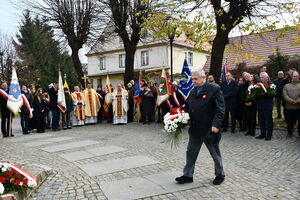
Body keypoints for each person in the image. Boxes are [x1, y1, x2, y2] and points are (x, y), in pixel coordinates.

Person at [175, 69, 225, 185]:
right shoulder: (193, 91)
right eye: (192, 79)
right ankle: (187, 175)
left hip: (209, 129)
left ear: (203, 78)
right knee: (191, 152)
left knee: (215, 153)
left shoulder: (214, 89)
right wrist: (181, 117)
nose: (193, 81)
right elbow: (189, 106)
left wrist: (216, 125)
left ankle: (220, 174)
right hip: (195, 128)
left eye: (195, 79)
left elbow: (220, 109)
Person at [255, 72, 275, 141]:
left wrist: (263, 93)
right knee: (261, 120)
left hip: (267, 106)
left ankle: (269, 134)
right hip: (260, 106)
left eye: (263, 77)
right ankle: (262, 133)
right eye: (261, 77)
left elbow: (273, 94)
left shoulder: (271, 84)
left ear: (267, 77)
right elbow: (255, 95)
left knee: (269, 121)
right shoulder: (258, 85)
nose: (262, 78)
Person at [282, 71, 300, 137]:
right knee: (290, 121)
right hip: (289, 107)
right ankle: (289, 132)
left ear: (299, 76)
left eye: (297, 76)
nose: (295, 77)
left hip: (299, 107)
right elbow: (284, 95)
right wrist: (291, 101)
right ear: (292, 76)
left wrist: (298, 101)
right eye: (294, 76)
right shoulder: (286, 86)